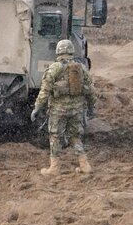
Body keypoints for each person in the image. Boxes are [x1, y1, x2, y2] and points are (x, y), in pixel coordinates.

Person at [31, 39, 97, 175]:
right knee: (75, 136)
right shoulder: (81, 68)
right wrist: (91, 107)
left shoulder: (54, 68)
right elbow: (90, 90)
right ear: (72, 51)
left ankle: (54, 168)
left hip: (58, 110)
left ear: (58, 51)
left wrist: (37, 107)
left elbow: (45, 91)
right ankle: (84, 165)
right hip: (77, 109)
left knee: (55, 136)